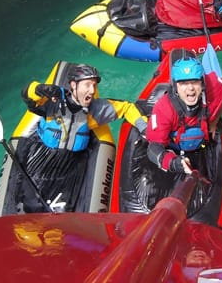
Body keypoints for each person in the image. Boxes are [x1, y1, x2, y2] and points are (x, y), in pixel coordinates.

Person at [17, 63, 147, 212]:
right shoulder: (53, 103)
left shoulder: (95, 110)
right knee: (28, 205)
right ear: (73, 85)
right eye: (87, 85)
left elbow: (127, 108)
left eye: (94, 86)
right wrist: (39, 89)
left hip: (70, 168)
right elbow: (27, 94)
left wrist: (144, 127)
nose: (92, 91)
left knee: (64, 211)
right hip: (41, 161)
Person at [147, 52, 222, 174]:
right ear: (175, 86)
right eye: (184, 83)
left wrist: (215, 120)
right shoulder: (164, 109)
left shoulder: (213, 87)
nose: (190, 88)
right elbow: (153, 148)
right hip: (174, 151)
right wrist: (173, 163)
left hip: (201, 146)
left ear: (202, 83)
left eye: (194, 82)